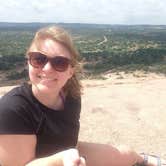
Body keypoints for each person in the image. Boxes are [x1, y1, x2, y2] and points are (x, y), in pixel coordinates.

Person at [0, 26, 165, 166]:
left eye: (60, 63)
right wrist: (61, 159)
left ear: (71, 71)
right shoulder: (13, 109)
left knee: (126, 154)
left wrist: (70, 154)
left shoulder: (71, 95)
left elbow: (67, 141)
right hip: (50, 160)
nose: (47, 68)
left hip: (67, 153)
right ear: (28, 62)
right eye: (39, 59)